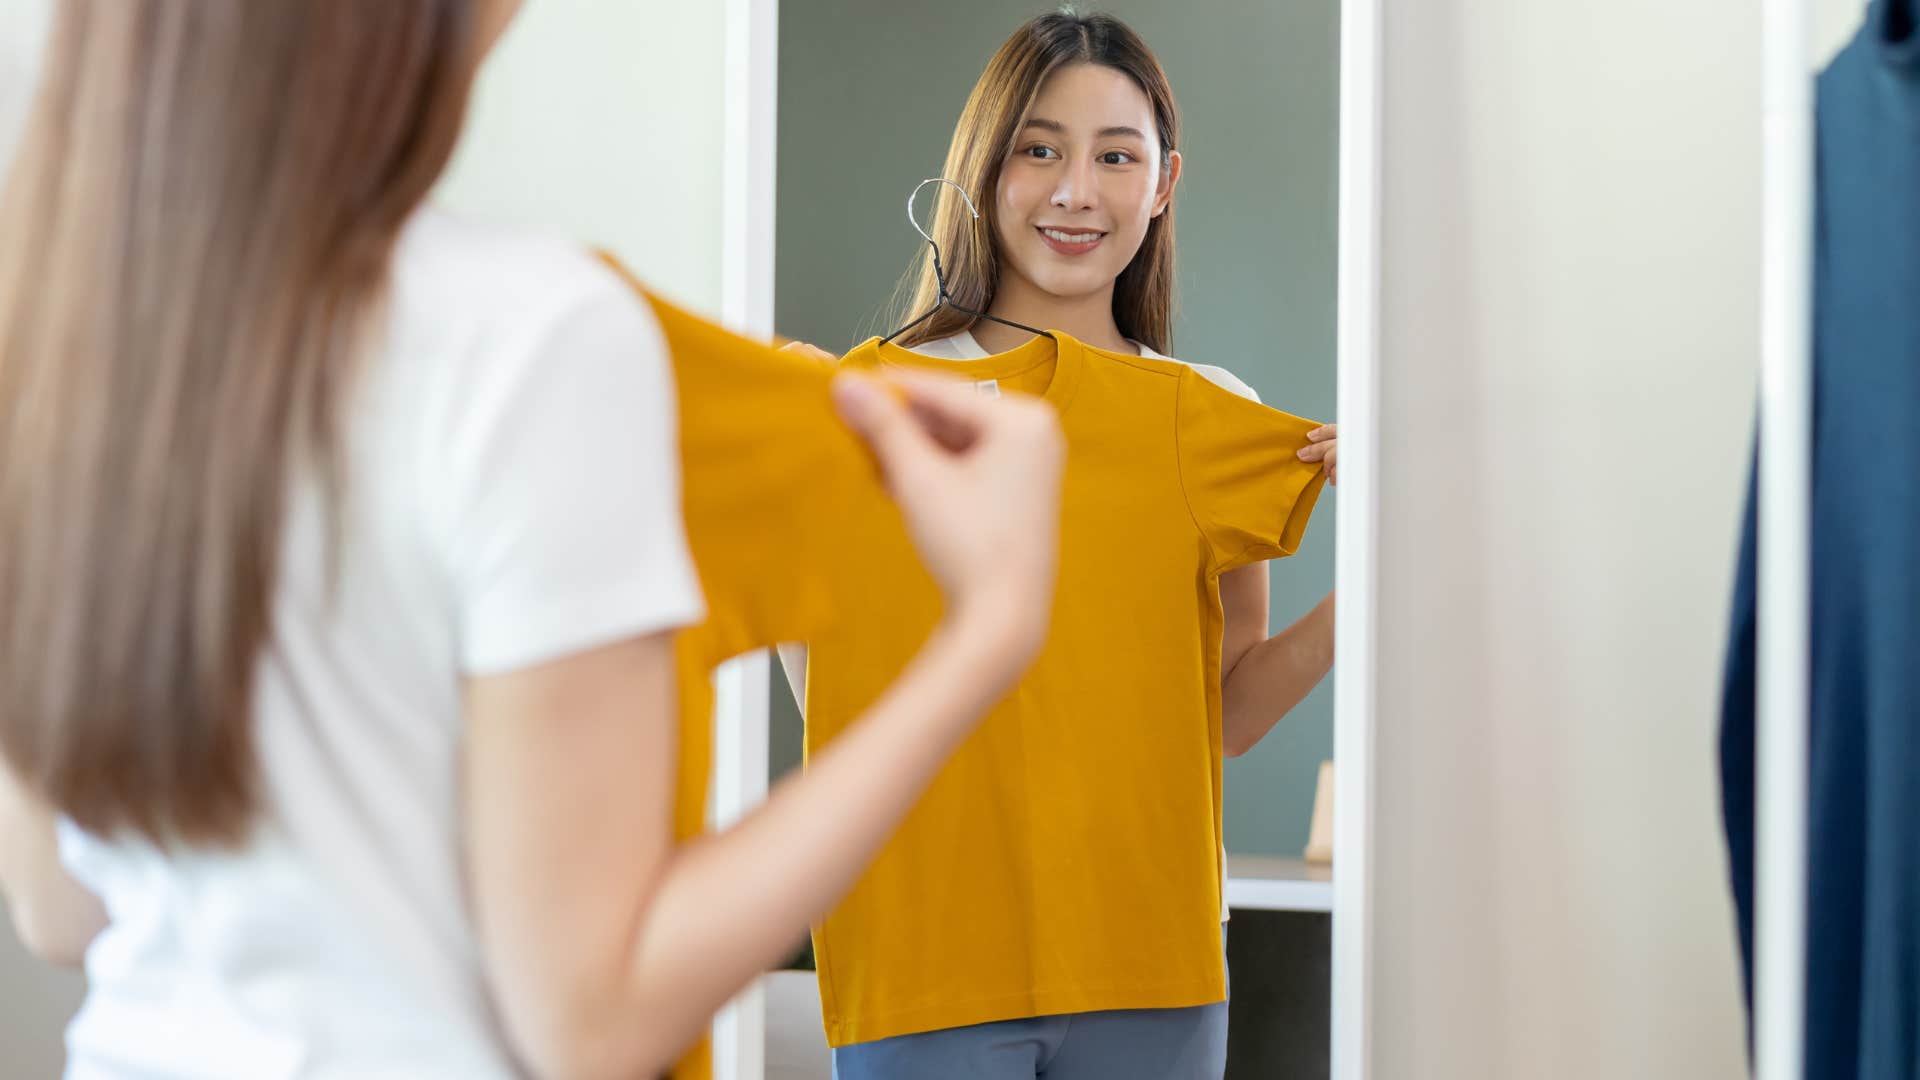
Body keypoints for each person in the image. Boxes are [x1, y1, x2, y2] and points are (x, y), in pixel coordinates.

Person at [0, 3, 1062, 1077]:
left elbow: (58, 907)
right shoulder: (535, 337)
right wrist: (987, 631)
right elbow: (594, 1026)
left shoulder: (68, 331)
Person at [778, 10, 1338, 1078]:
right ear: (985, 168)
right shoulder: (871, 405)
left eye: (1115, 157)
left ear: (1164, 184)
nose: (1076, 191)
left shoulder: (1206, 411)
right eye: (1039, 150)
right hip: (924, 957)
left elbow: (1224, 716)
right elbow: (828, 689)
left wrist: (1376, 586)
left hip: (1150, 962)